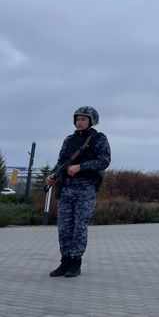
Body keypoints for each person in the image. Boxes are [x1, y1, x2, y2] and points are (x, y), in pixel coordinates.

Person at [46, 106, 111, 278]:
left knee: (79, 227)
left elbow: (104, 161)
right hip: (67, 188)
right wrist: (53, 174)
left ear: (91, 121)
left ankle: (76, 262)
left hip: (85, 188)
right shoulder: (69, 140)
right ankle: (65, 261)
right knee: (64, 227)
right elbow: (61, 161)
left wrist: (81, 167)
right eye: (77, 119)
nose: (79, 122)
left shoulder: (98, 139)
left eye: (83, 119)